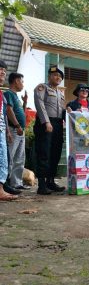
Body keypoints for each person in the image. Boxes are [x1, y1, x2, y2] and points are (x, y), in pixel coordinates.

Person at [34, 66, 66, 195]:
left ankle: (50, 181)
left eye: (60, 76)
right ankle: (41, 185)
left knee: (55, 153)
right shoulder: (42, 88)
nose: (57, 78)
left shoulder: (60, 93)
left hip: (58, 124)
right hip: (45, 123)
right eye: (55, 75)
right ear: (49, 76)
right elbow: (39, 103)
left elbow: (62, 110)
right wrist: (46, 121)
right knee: (44, 153)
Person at [4, 72, 28, 193]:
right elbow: (8, 110)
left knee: (20, 158)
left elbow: (21, 113)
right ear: (16, 81)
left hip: (20, 131)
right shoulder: (8, 94)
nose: (23, 84)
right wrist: (17, 125)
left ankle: (16, 183)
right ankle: (6, 183)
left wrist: (25, 102)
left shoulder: (16, 96)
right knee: (10, 157)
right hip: (14, 130)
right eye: (22, 81)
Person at [0, 60, 17, 200]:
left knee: (3, 159)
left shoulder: (1, 94)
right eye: (0, 70)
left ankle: (0, 189)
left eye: (4, 71)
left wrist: (6, 130)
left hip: (1, 130)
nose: (2, 73)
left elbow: (3, 114)